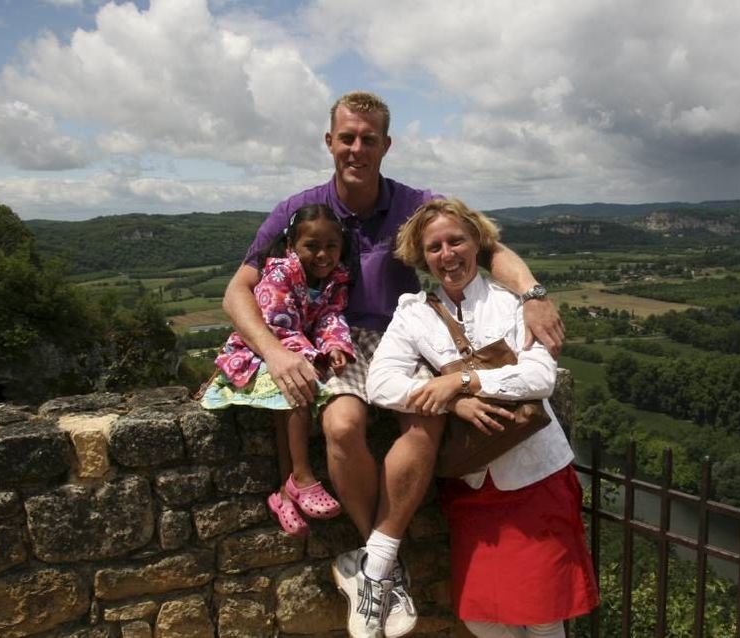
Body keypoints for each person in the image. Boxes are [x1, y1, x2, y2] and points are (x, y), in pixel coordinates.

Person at [222, 91, 565, 638]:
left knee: (426, 419)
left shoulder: (412, 202)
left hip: (401, 337)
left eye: (369, 139)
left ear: (387, 144)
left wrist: (532, 292)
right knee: (340, 425)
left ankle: (376, 565)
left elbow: (486, 246)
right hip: (330, 342)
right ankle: (381, 559)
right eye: (347, 137)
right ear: (329, 141)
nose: (357, 148)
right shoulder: (298, 210)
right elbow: (238, 289)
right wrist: (276, 350)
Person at [366, 198, 599, 638]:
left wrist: (461, 383)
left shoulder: (511, 303)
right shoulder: (413, 312)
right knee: (480, 614)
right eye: (434, 247)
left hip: (535, 475)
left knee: (545, 613)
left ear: (477, 241)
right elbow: (379, 384)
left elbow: (540, 376)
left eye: (456, 241)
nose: (447, 254)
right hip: (474, 484)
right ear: (421, 256)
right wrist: (449, 402)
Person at [202, 204, 351, 536]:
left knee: (286, 408)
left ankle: (285, 493)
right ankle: (302, 476)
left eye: (331, 246)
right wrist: (310, 356)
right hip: (262, 352)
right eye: (312, 246)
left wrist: (335, 345)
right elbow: (278, 326)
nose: (323, 255)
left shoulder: (336, 279)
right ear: (291, 246)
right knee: (300, 387)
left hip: (293, 351)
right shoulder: (279, 274)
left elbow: (330, 317)